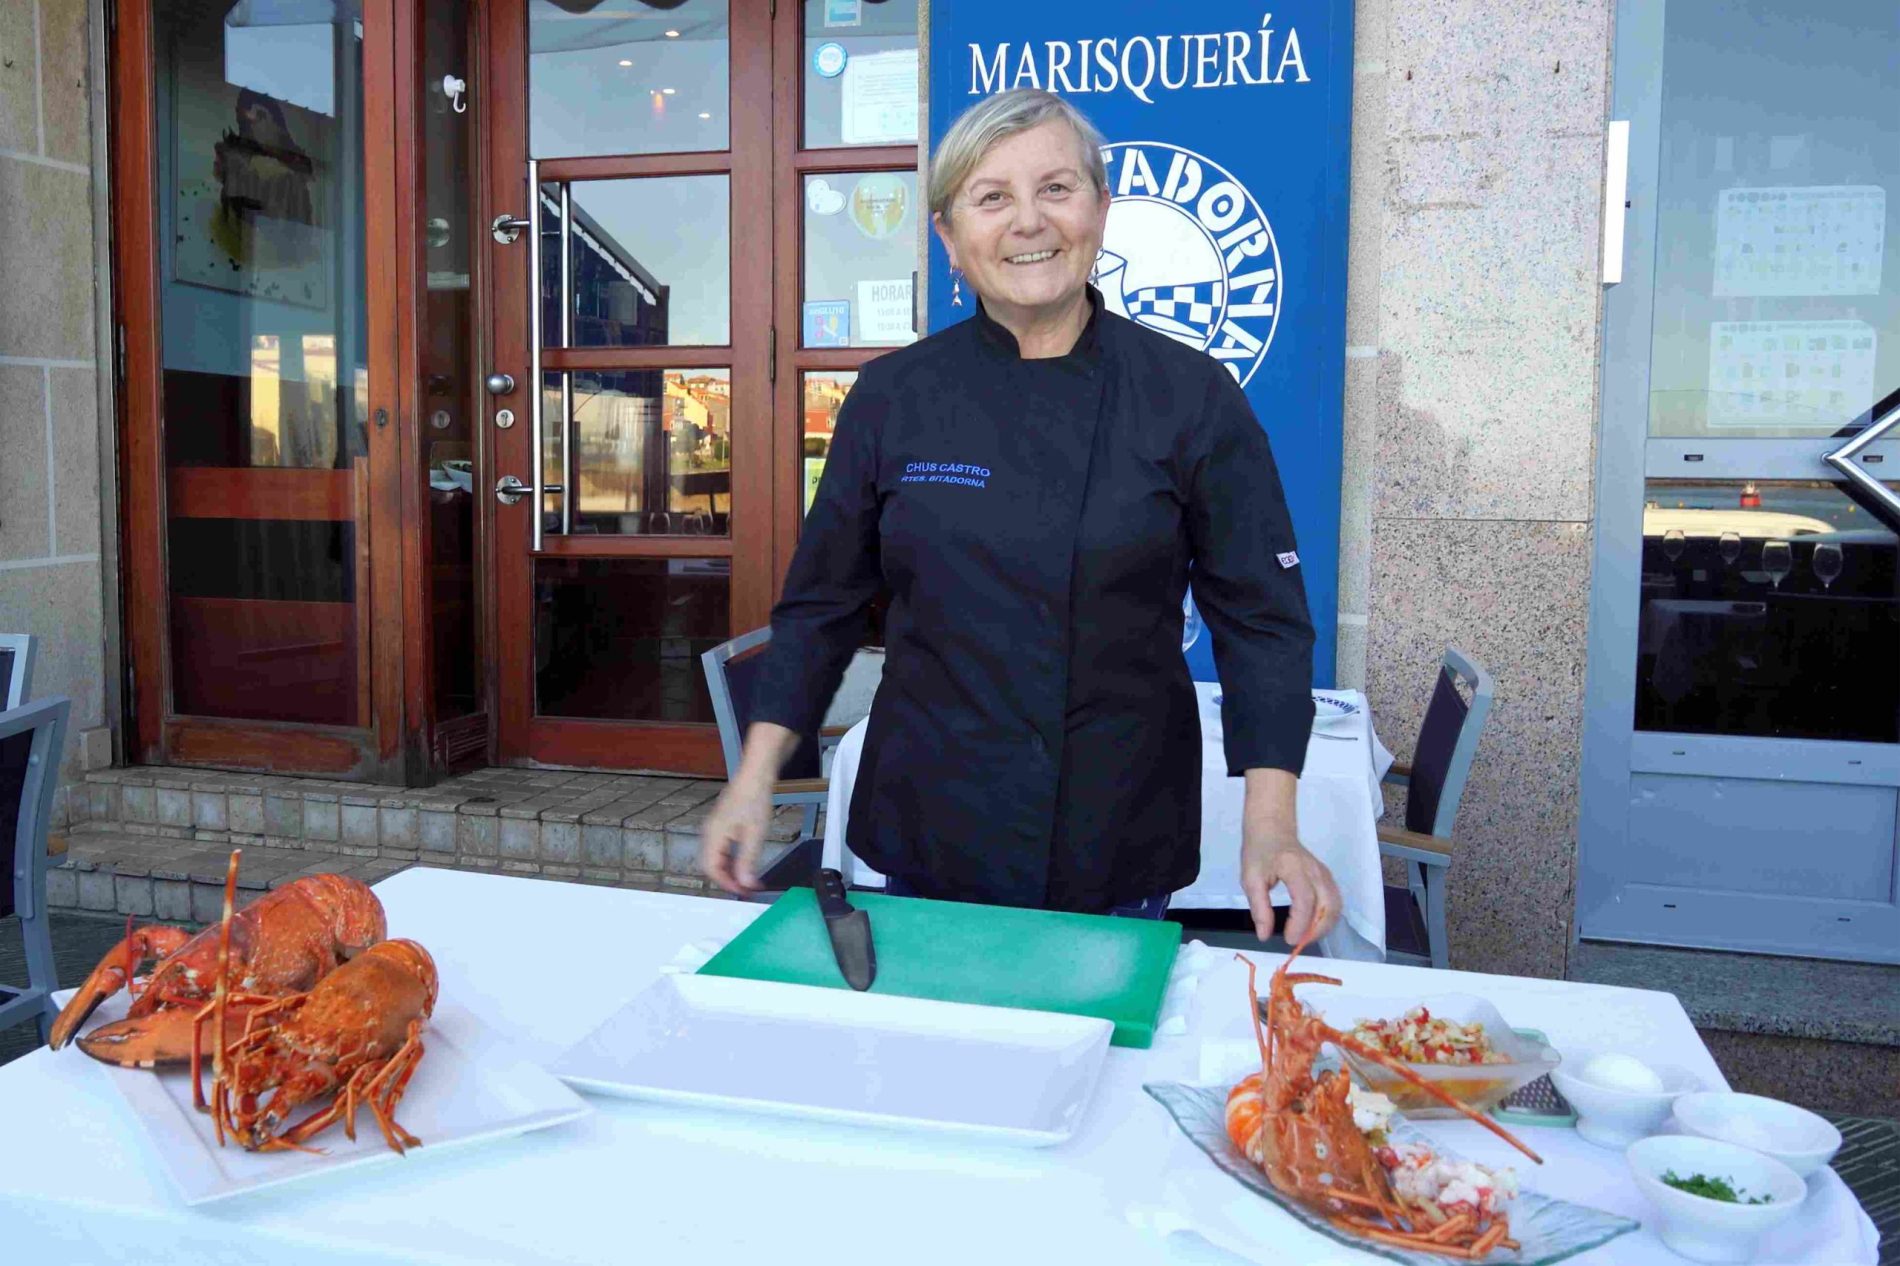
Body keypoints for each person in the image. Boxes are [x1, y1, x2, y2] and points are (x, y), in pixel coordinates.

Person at [700, 88, 1341, 945]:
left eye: (1057, 189)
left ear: (1101, 211)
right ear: (950, 238)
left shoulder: (1189, 397)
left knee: (1097, 1056)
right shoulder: (895, 396)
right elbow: (822, 606)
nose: (1028, 222)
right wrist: (754, 779)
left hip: (1112, 823)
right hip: (932, 814)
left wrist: (1270, 821)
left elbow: (1261, 620)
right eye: (992, 197)